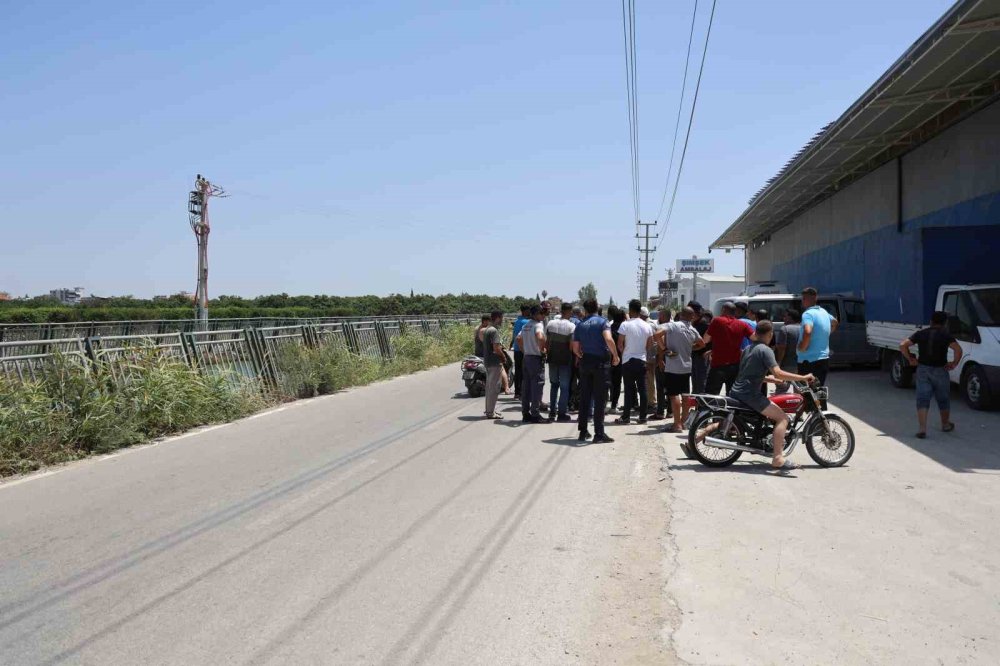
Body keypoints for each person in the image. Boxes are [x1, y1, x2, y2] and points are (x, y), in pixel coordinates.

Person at [697, 320, 816, 470]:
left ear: (756, 333)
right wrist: (803, 377)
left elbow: (747, 373)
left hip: (737, 392)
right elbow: (778, 371)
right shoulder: (766, 350)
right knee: (783, 418)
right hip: (750, 395)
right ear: (770, 334)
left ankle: (695, 439)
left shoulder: (747, 349)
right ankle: (778, 458)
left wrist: (768, 379)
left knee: (734, 423)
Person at [900, 310, 963, 439]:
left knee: (923, 398)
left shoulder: (921, 334)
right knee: (943, 399)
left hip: (923, 369)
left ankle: (922, 429)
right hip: (940, 370)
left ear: (931, 321)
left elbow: (903, 345)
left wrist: (911, 359)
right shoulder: (946, 335)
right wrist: (954, 363)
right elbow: (958, 349)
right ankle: (945, 424)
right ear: (945, 323)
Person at [572, 298, 619, 443]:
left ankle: (583, 431)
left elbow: (575, 347)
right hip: (600, 364)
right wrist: (616, 355)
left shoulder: (580, 324)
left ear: (585, 309)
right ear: (597, 307)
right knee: (600, 399)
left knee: (585, 398)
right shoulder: (602, 322)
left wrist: (580, 355)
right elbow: (608, 339)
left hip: (585, 363)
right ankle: (599, 433)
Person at [660, 307, 705, 432]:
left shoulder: (673, 326)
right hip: (686, 366)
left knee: (674, 395)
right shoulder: (692, 329)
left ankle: (677, 424)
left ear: (681, 315)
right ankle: (684, 422)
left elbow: (657, 334)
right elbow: (702, 344)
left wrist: (664, 349)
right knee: (685, 395)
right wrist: (690, 349)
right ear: (691, 317)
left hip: (673, 366)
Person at [703, 302, 755, 394]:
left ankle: (713, 409)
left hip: (718, 365)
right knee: (732, 395)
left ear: (723, 309)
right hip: (735, 366)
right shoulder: (742, 324)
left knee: (711, 395)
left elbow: (706, 339)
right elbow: (754, 338)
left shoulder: (717, 321)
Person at [616, 300, 654, 425]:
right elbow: (649, 346)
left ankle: (626, 416)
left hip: (627, 360)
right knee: (642, 389)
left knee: (628, 389)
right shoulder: (647, 326)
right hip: (641, 360)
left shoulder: (625, 325)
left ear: (631, 310)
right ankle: (642, 417)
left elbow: (619, 344)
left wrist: (625, 352)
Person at [797, 287, 838, 387]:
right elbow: (835, 322)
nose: (802, 301)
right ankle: (821, 403)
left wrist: (803, 347)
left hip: (808, 361)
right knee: (819, 391)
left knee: (808, 393)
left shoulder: (807, 314)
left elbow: (807, 331)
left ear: (806, 299)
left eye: (803, 299)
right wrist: (825, 334)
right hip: (823, 359)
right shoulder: (823, 312)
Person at [545, 303, 576, 422]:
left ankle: (552, 412)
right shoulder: (571, 326)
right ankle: (561, 413)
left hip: (552, 359)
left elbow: (547, 343)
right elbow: (571, 345)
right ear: (569, 312)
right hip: (564, 360)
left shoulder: (551, 323)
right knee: (564, 387)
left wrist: (547, 353)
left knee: (554, 385)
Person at [516, 305, 547, 423]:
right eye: (542, 314)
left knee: (526, 387)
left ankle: (525, 413)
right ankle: (535, 414)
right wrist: (542, 349)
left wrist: (524, 350)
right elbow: (540, 336)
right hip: (535, 359)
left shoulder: (526, 325)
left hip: (526, 357)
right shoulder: (537, 324)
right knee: (536, 387)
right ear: (537, 314)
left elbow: (518, 339)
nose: (543, 316)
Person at [481, 311, 506, 419]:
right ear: (497, 318)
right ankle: (490, 412)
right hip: (494, 363)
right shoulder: (494, 331)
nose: (502, 321)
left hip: (488, 362)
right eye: (502, 318)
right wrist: (503, 357)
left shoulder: (487, 330)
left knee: (489, 387)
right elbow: (496, 348)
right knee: (494, 388)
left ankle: (489, 410)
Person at [650, 307, 673, 420]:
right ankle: (670, 411)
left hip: (663, 360)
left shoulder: (662, 328)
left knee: (660, 387)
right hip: (672, 360)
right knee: (670, 387)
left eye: (660, 315)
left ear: (664, 317)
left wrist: (660, 359)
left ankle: (660, 412)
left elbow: (660, 343)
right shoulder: (674, 327)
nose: (659, 317)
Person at [773, 309, 802, 393]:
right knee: (799, 390)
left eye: (785, 316)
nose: (783, 318)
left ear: (790, 318)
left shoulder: (785, 329)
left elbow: (782, 348)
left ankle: (779, 406)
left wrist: (778, 363)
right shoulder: (804, 329)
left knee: (781, 390)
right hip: (801, 365)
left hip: (786, 366)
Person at [688, 301, 710, 394]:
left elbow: (704, 342)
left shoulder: (703, 323)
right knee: (695, 381)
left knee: (700, 382)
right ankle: (696, 402)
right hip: (695, 355)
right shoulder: (695, 322)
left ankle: (701, 405)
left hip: (701, 355)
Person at [608, 306, 626, 413]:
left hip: (610, 357)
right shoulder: (624, 329)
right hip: (622, 358)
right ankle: (614, 405)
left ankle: (610, 402)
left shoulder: (609, 328)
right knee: (618, 382)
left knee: (610, 381)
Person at [511, 304, 531, 399]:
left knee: (518, 371)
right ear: (524, 311)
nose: (530, 312)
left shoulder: (517, 321)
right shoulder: (527, 322)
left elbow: (514, 335)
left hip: (516, 349)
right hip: (524, 350)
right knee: (524, 372)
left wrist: (512, 344)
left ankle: (517, 392)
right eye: (528, 310)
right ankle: (523, 392)